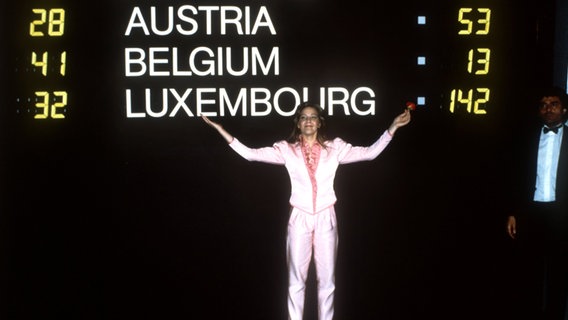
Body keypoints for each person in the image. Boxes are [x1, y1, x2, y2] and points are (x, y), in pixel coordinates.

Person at [201, 101, 411, 320]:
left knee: (327, 281)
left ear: (319, 123)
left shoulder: (335, 148)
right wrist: (221, 130)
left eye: (312, 117)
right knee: (296, 281)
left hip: (326, 216)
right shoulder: (286, 149)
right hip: (299, 217)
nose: (308, 121)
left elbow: (369, 153)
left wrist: (393, 127)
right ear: (298, 124)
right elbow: (250, 155)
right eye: (303, 117)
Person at [506, 86, 568, 320]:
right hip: (532, 215)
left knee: (558, 275)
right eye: (543, 104)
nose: (548, 109)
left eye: (553, 104)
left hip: (561, 217)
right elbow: (516, 176)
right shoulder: (526, 139)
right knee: (528, 274)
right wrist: (513, 213)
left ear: (564, 109)